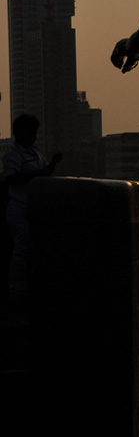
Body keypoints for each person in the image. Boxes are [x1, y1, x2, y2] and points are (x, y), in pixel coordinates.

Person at [2, 114, 62, 307]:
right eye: (31, 133)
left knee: (32, 252)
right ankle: (15, 294)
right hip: (19, 209)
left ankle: (28, 291)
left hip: (34, 209)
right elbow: (11, 178)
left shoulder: (35, 153)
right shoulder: (12, 155)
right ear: (19, 133)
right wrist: (38, 173)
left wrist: (52, 163)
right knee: (20, 252)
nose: (34, 137)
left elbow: (44, 172)